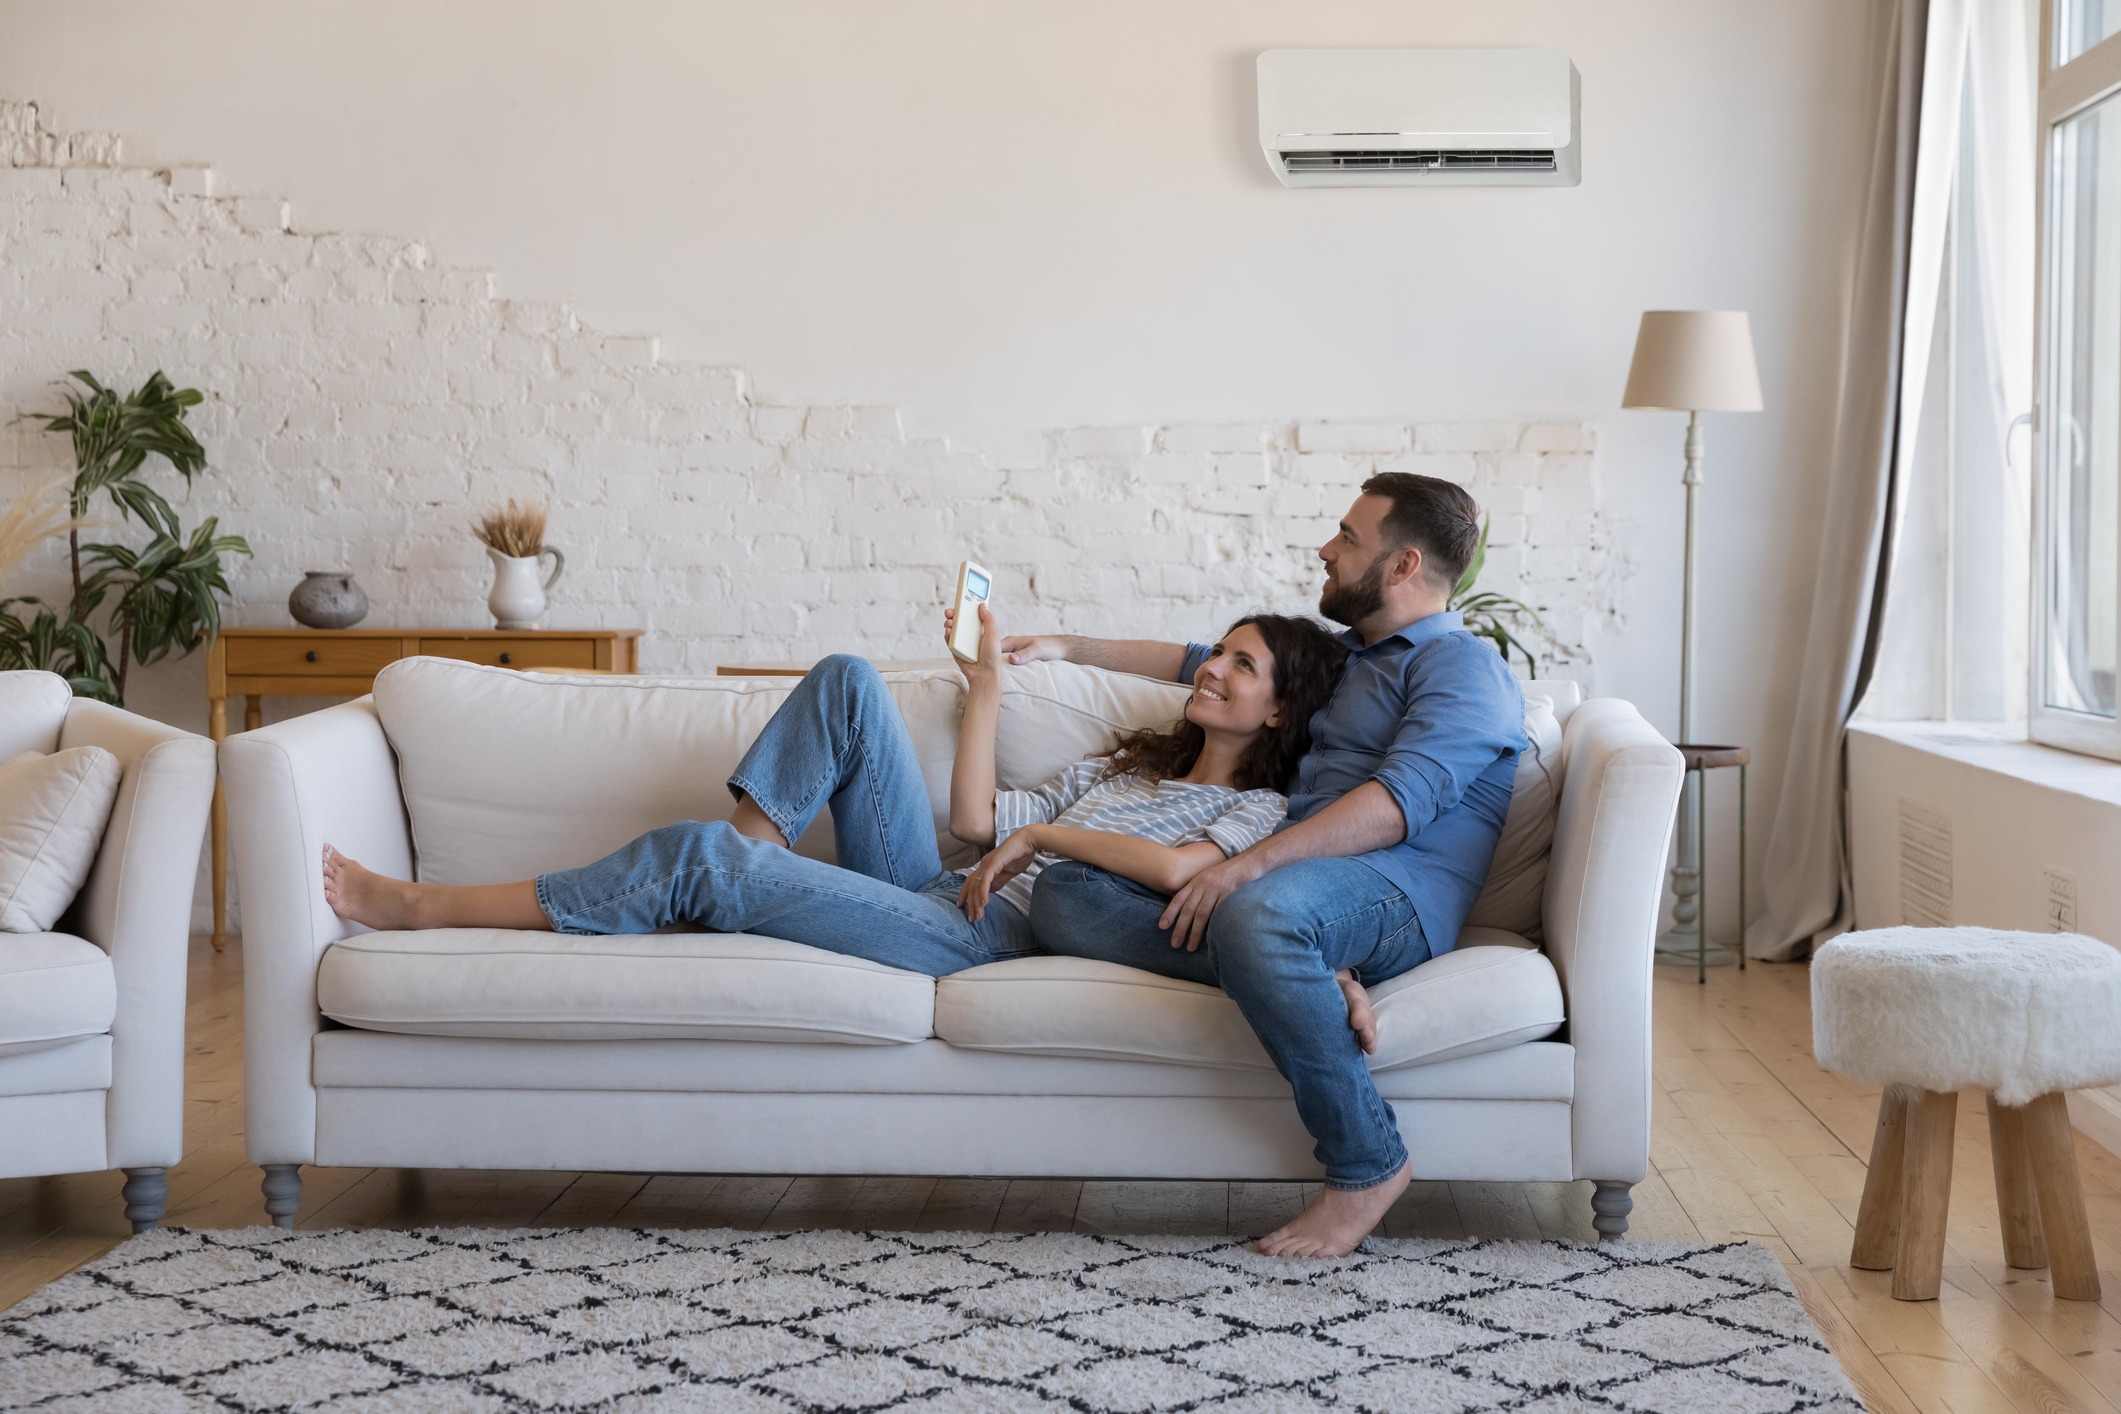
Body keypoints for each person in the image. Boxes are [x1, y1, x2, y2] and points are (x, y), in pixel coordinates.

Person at [1004, 473, 1526, 1258]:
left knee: (1259, 913)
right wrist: (1064, 646)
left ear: (1401, 565)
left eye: (1348, 537)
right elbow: (1195, 662)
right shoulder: (1348, 658)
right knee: (1069, 892)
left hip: (1396, 888)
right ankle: (1307, 972)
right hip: (1303, 889)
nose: (1325, 547)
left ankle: (1367, 1163)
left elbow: (1395, 806)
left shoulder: (1461, 665)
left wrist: (1245, 869)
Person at [321, 609, 1348, 982]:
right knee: (849, 678)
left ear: (1277, 713)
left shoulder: (1255, 814)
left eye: (1242, 667)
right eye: (1218, 655)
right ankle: (728, 874)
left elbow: (1177, 874)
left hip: (992, 934)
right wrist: (987, 687)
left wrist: (1052, 841)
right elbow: (975, 826)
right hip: (945, 884)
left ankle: (420, 904)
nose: (1212, 670)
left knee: (698, 859)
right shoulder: (1132, 766)